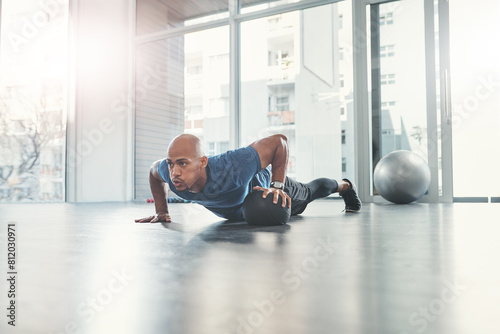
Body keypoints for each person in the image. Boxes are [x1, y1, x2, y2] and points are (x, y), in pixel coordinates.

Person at [135, 133, 361, 223]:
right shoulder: (171, 173)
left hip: (264, 188)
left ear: (202, 162)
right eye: (171, 163)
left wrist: (278, 187)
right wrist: (162, 211)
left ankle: (344, 186)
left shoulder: (232, 166)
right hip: (241, 212)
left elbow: (279, 142)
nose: (174, 172)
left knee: (309, 192)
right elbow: (154, 173)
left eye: (183, 163)